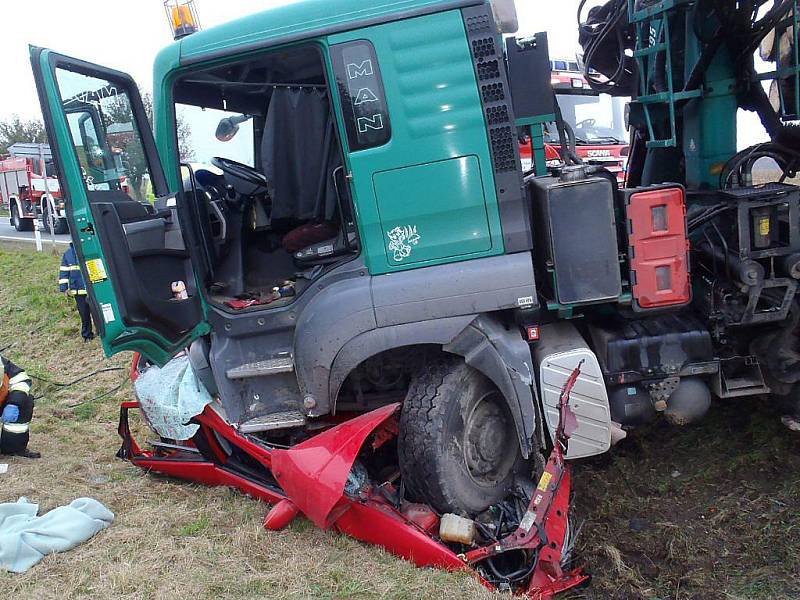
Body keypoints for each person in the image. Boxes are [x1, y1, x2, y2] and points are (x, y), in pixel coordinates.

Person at [0, 354, 40, 458]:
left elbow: (20, 379)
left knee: (24, 401)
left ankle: (13, 448)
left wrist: (14, 403)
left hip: (2, 400)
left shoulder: (2, 363)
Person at [59, 243, 95, 342]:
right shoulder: (68, 254)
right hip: (78, 292)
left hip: (92, 289)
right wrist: (64, 288)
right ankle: (87, 335)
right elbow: (64, 272)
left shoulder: (90, 249)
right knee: (84, 314)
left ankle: (102, 332)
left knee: (97, 313)